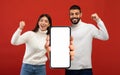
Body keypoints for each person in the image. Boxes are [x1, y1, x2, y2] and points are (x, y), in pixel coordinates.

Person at [65, 5, 109, 75]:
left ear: (81, 14)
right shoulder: (65, 30)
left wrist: (98, 20)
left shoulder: (89, 27)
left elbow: (105, 36)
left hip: (86, 69)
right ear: (69, 15)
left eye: (76, 13)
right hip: (70, 69)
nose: (74, 16)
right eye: (72, 14)